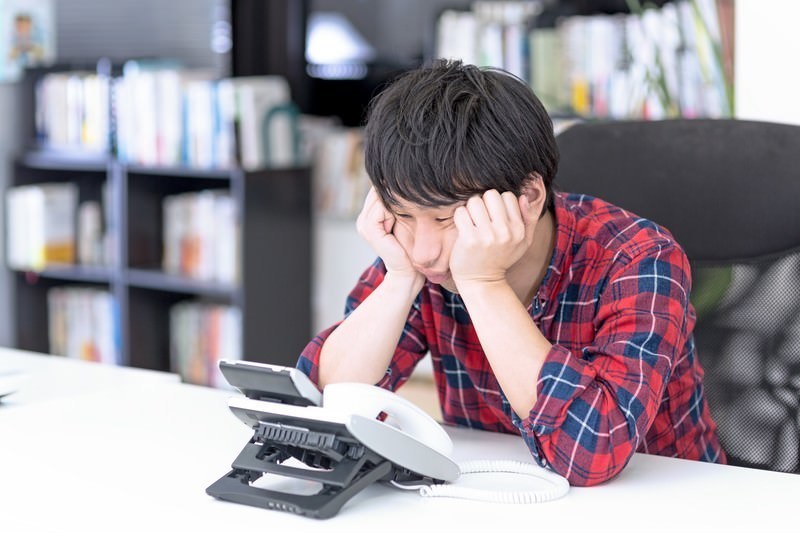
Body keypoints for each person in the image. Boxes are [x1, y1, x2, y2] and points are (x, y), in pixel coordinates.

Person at [297, 59, 726, 486]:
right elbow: (321, 408)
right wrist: (399, 280)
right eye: (402, 214)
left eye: (446, 219)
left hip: (671, 500)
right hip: (501, 493)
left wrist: (484, 284)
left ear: (529, 197)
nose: (423, 250)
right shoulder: (417, 256)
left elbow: (592, 454)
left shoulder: (639, 258)